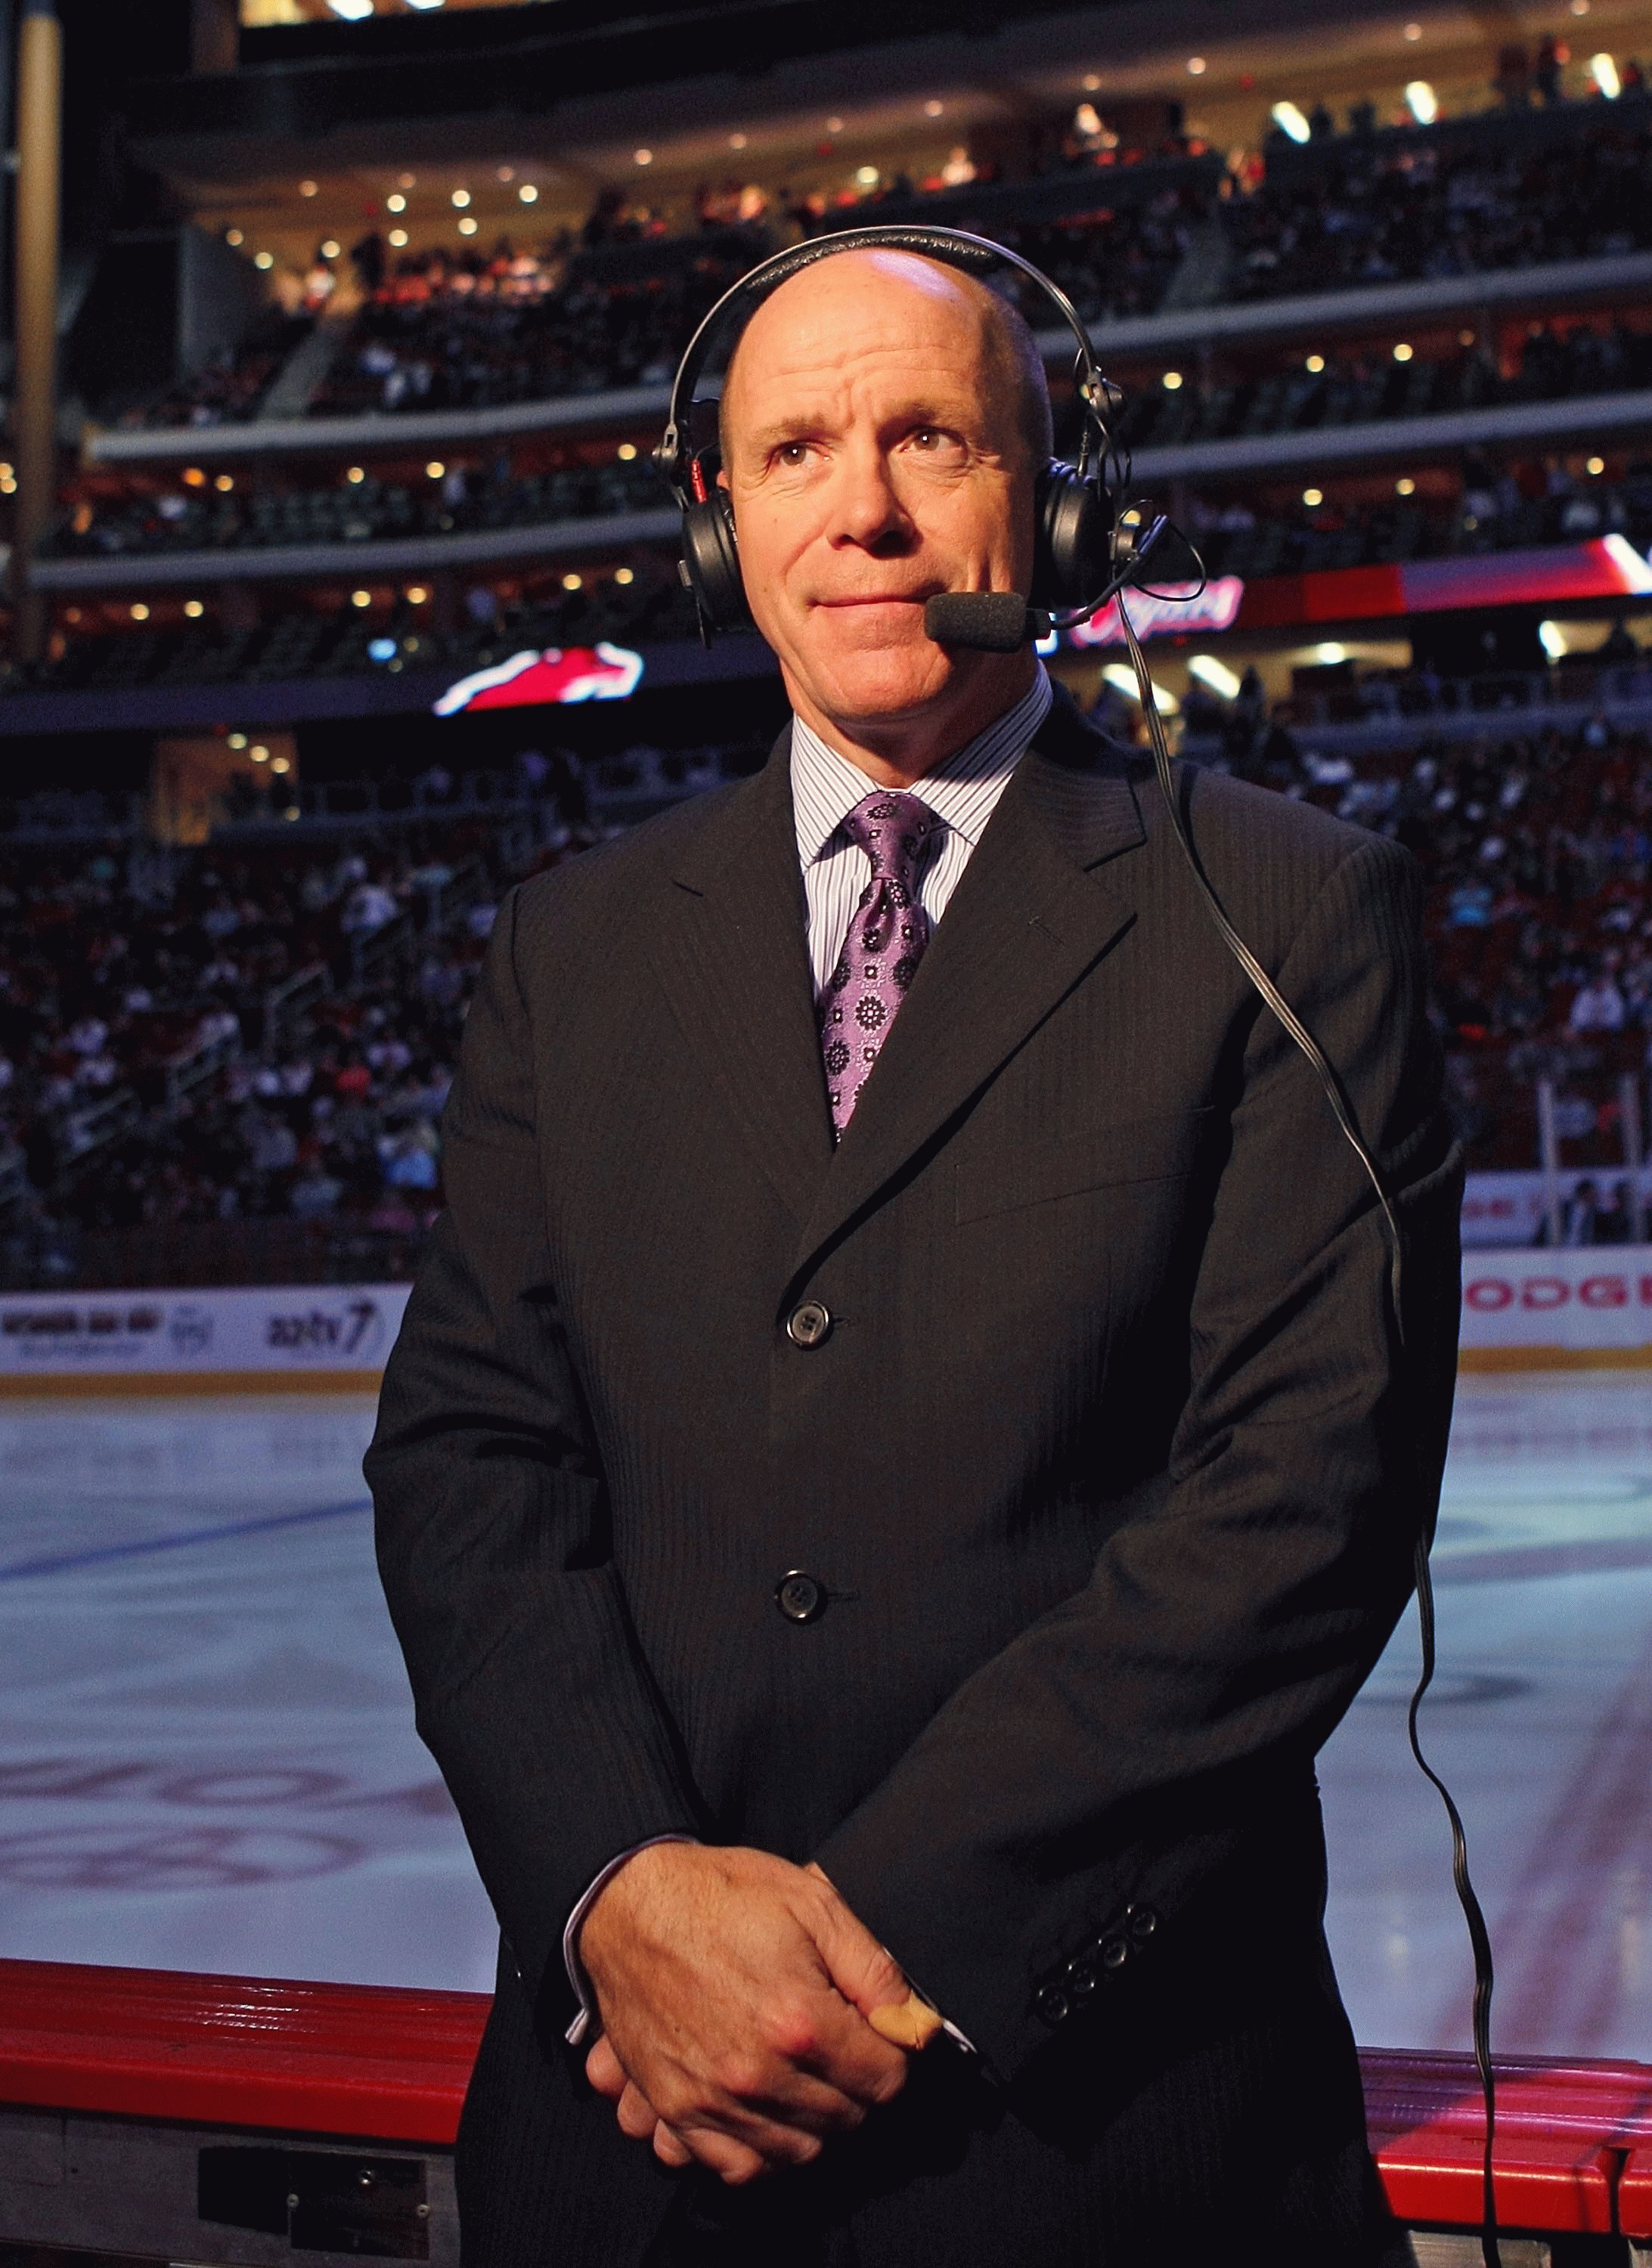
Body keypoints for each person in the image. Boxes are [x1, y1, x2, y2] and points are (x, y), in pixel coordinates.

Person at [367, 244, 1461, 2266]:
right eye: (793, 451)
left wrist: (869, 1963)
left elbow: (1301, 1503)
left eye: (930, 440)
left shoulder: (1289, 914)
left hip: (1102, 2144)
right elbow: (467, 1460)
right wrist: (618, 1893)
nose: (860, 508)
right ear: (721, 525)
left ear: (1054, 504)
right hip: (627, 2138)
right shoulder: (570, 949)